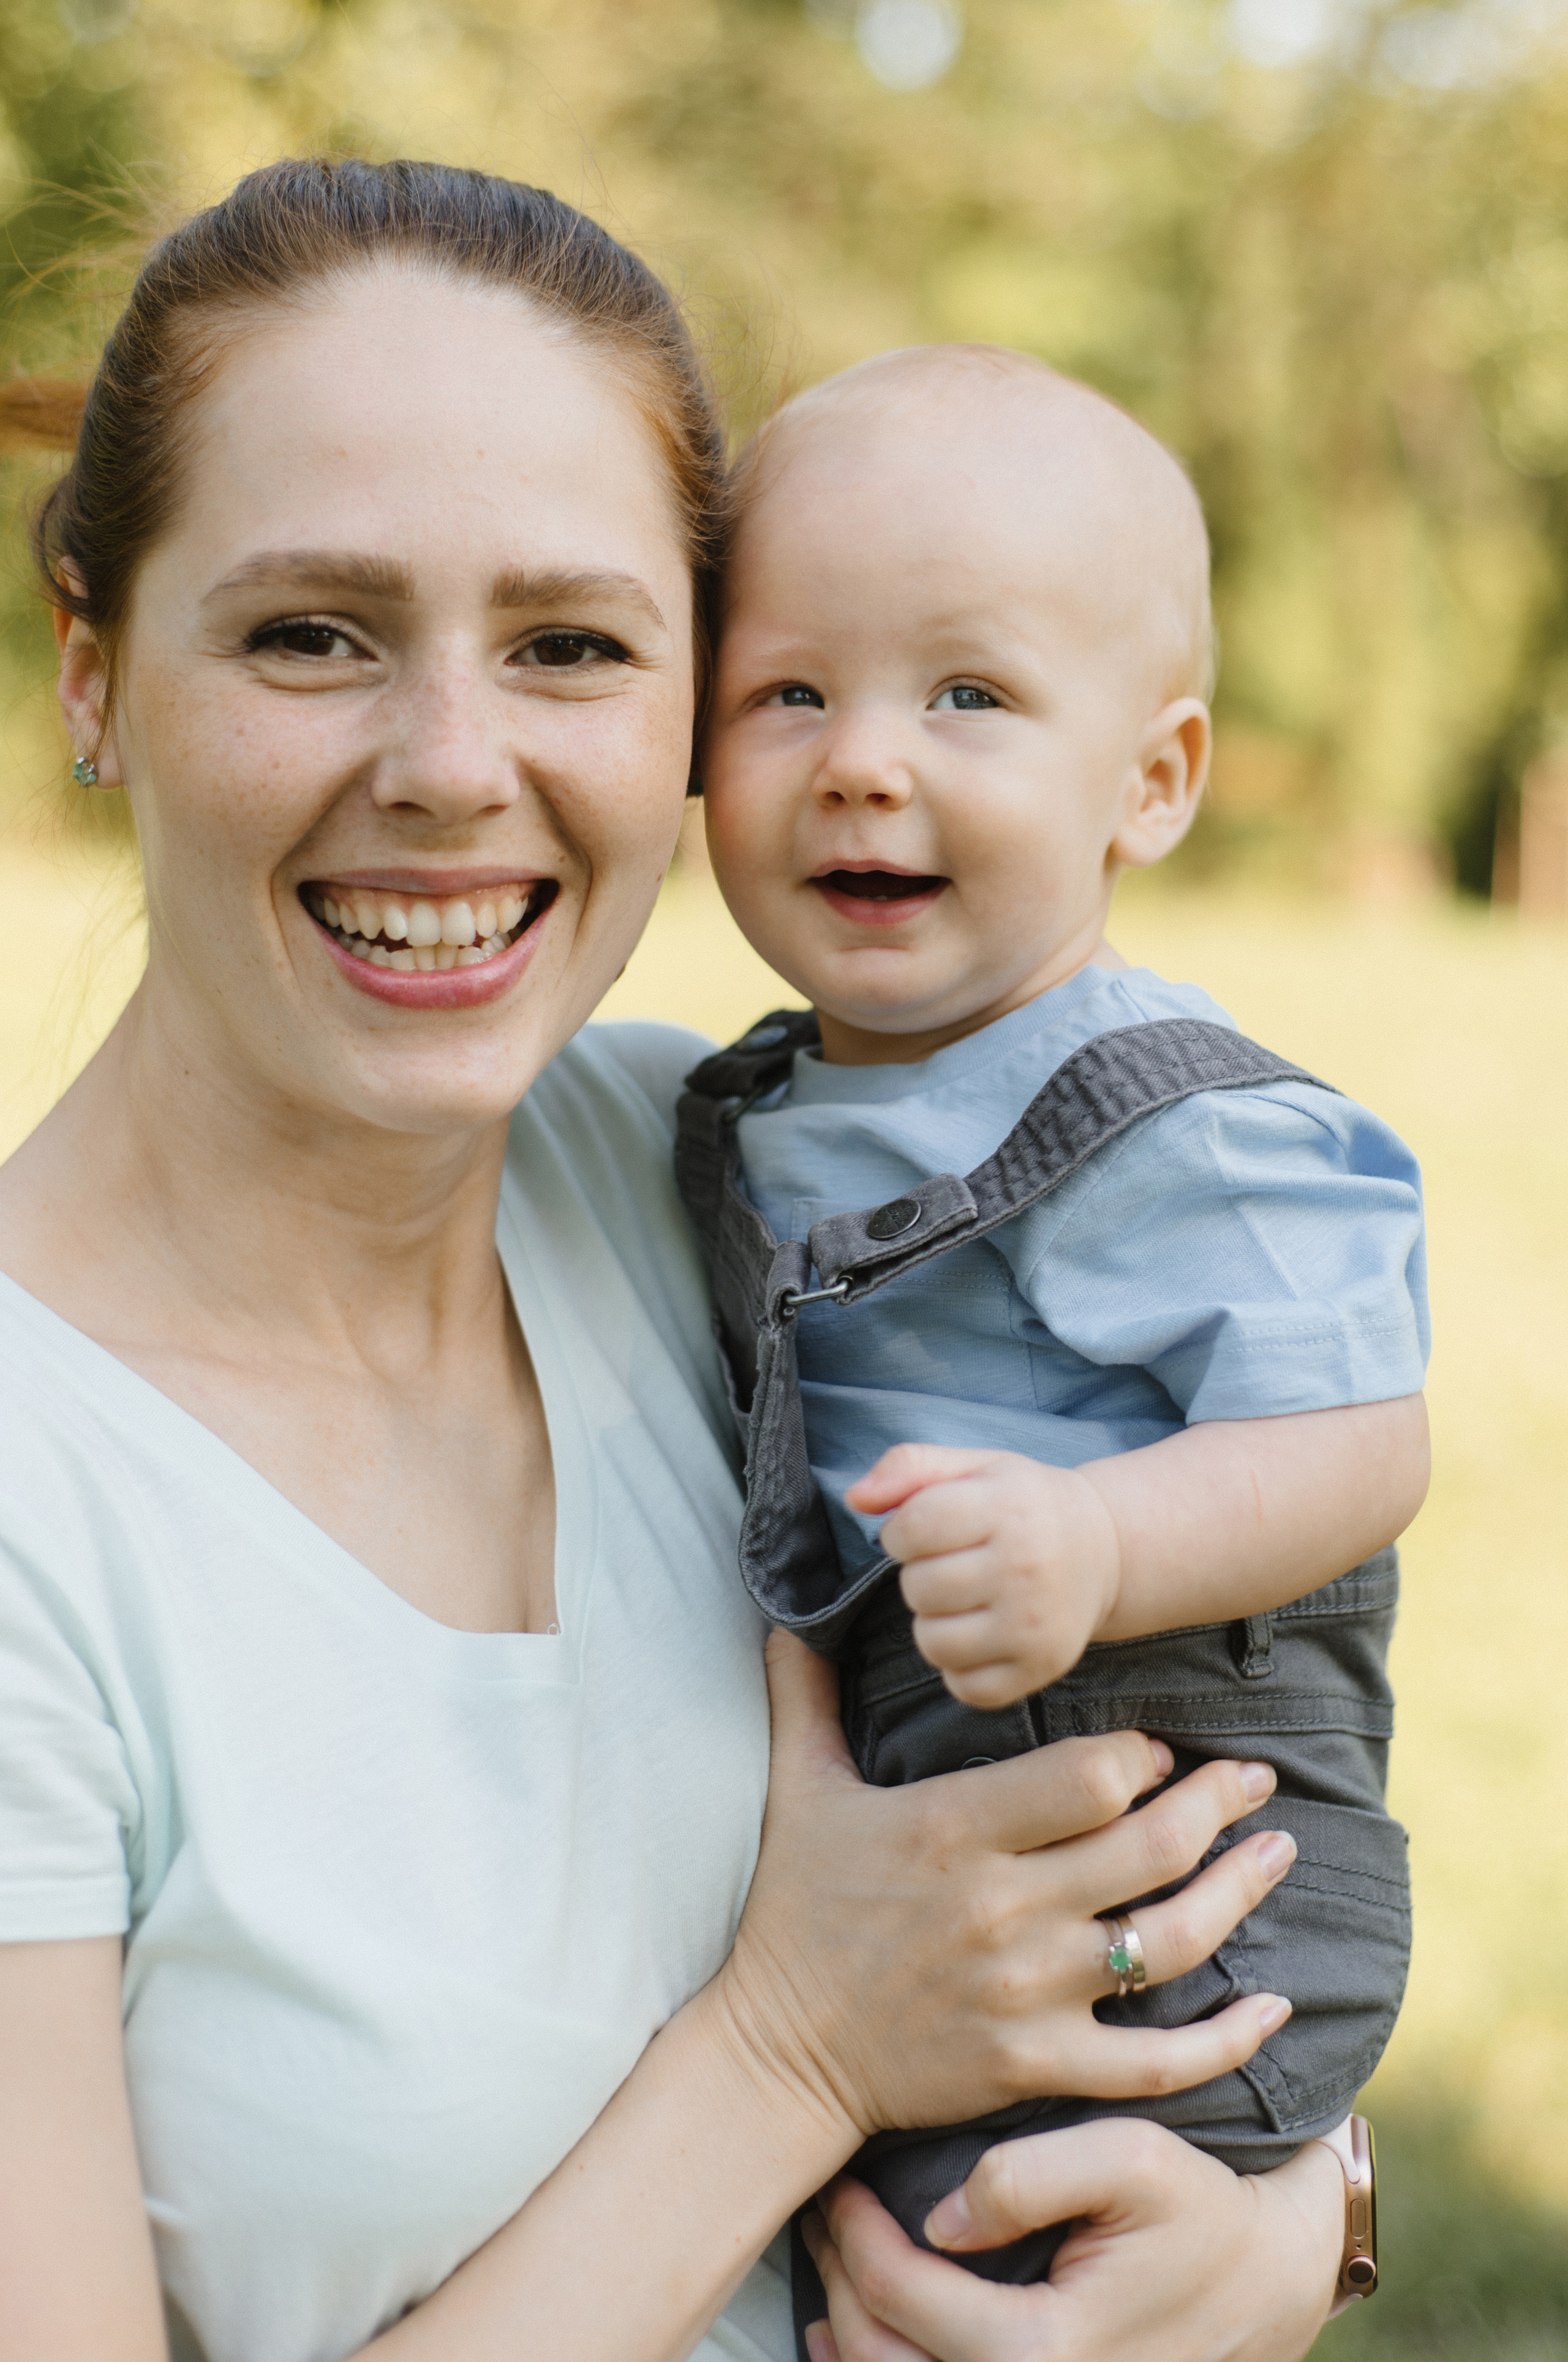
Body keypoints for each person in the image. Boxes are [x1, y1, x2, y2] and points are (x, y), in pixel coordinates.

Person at [0, 160, 1346, 2362]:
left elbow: (1230, 1725)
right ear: (94, 666)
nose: (454, 766)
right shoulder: (38, 1499)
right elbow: (841, 2011)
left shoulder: (724, 1175)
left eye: (570, 647)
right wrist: (795, 2052)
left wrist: (1295, 2212)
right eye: (310, 632)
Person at [683, 344, 1428, 2346]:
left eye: (970, 696)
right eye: (788, 691)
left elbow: (1360, 1441)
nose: (862, 758)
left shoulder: (1175, 1119)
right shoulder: (733, 1109)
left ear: (1154, 780)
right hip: (954, 1847)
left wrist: (1102, 1545)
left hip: (1171, 1846)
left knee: (989, 2263)